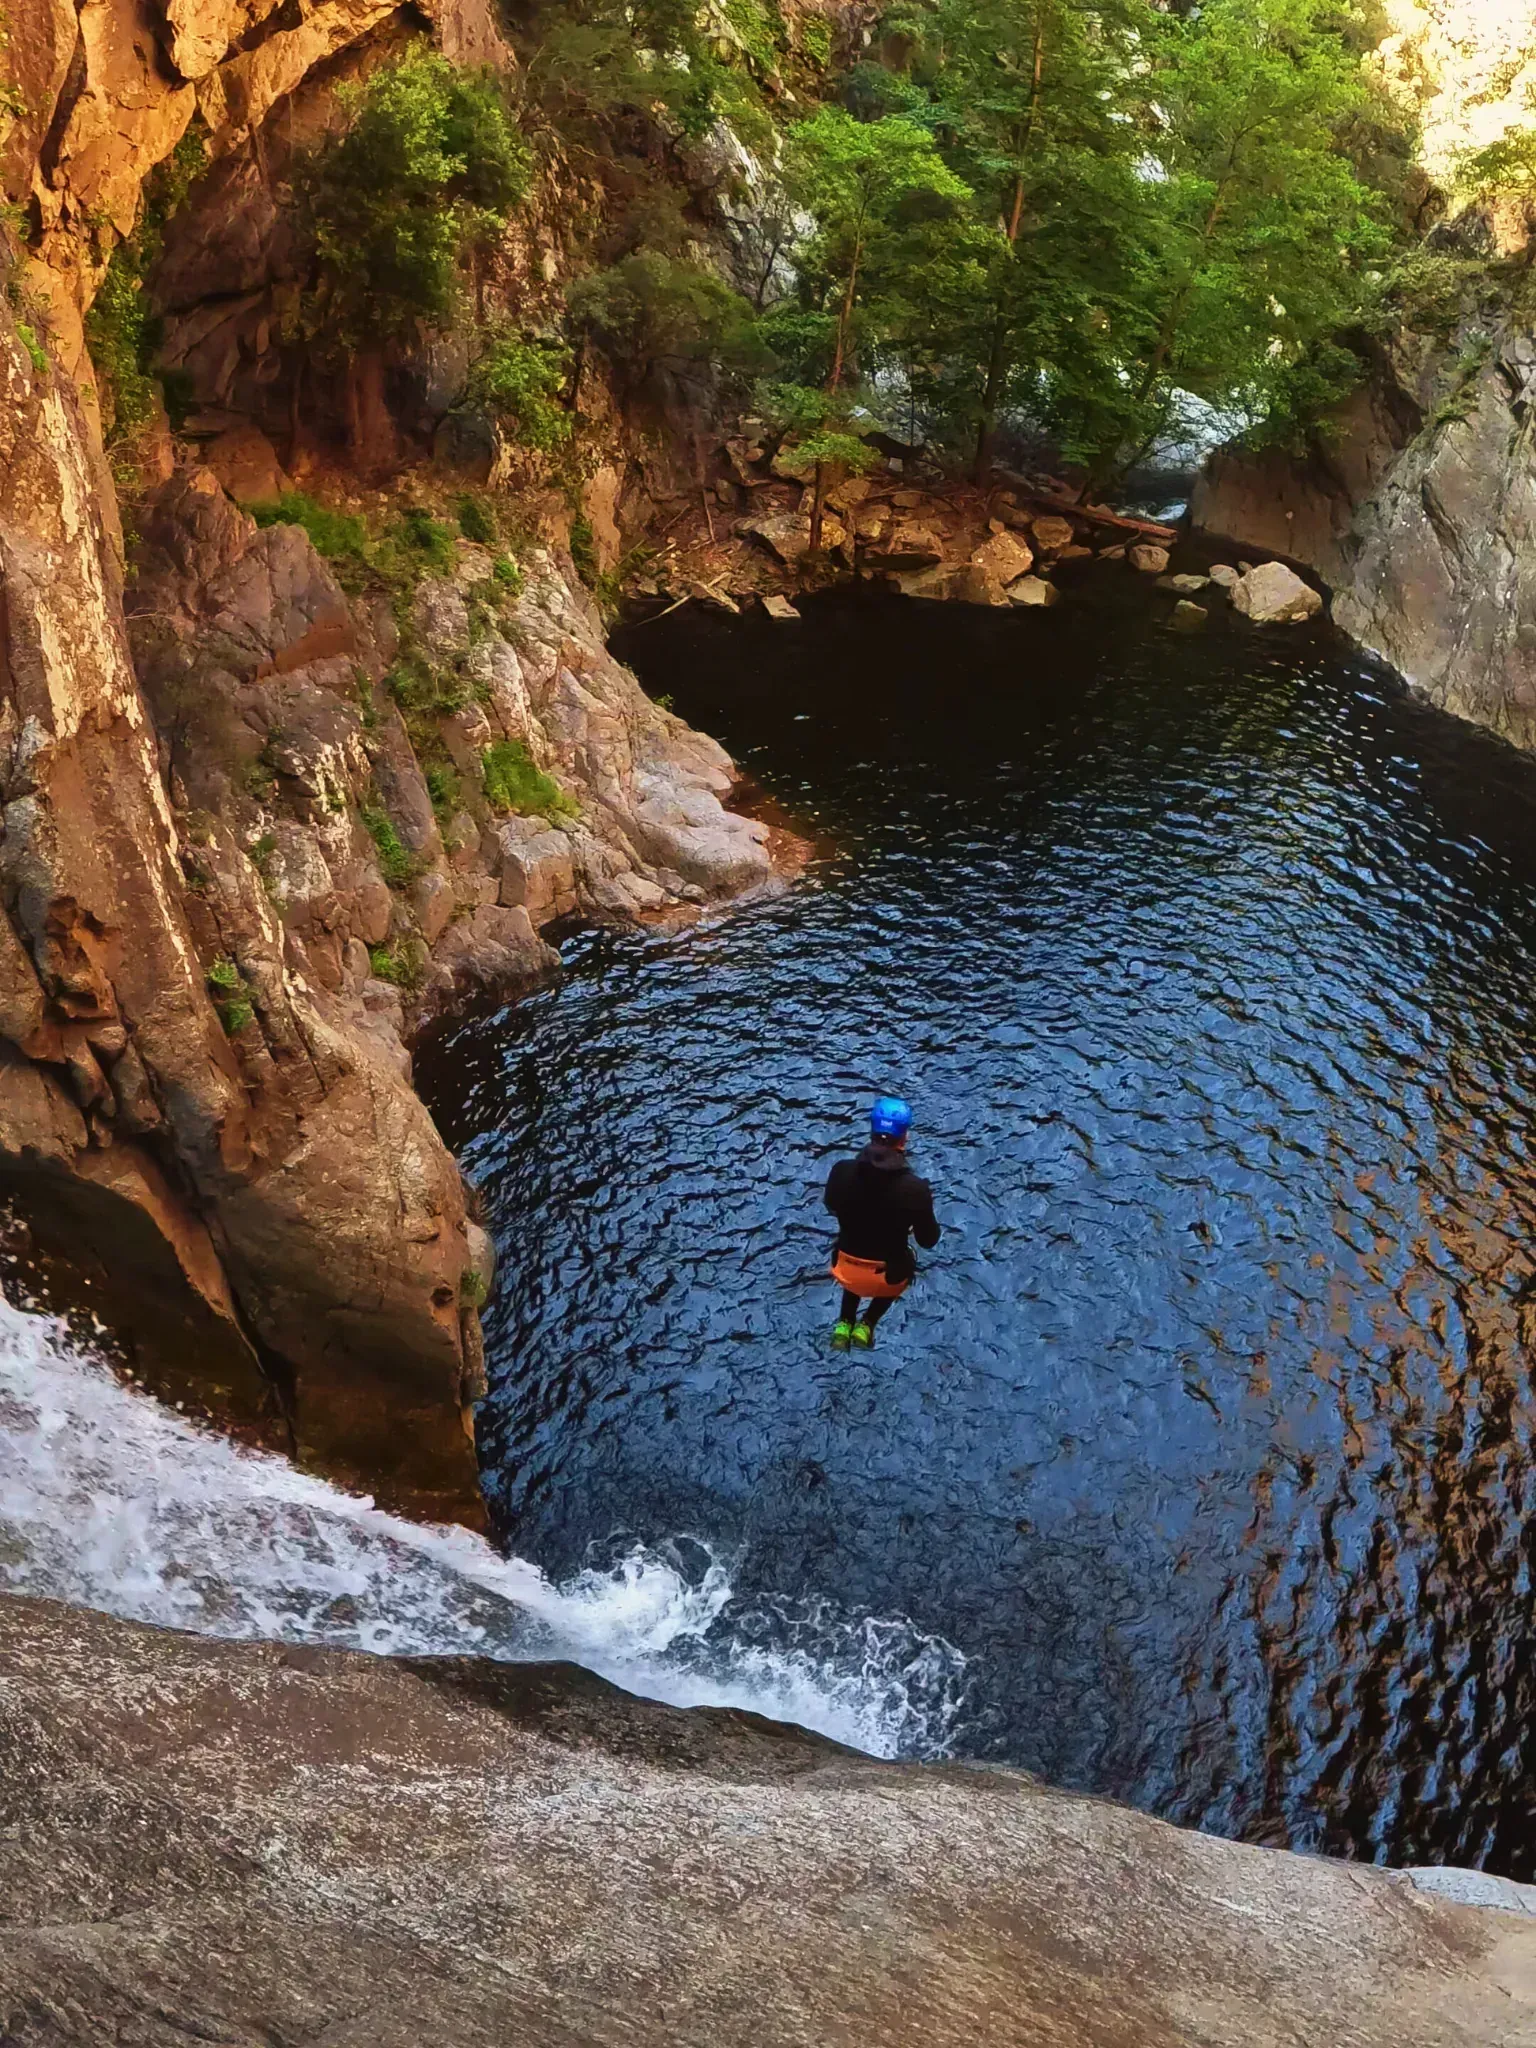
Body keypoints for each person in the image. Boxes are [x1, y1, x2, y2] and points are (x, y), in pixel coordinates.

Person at [823, 1096, 941, 1349]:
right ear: (905, 1137)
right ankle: (867, 1324)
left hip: (844, 1267)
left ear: (872, 1130)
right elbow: (928, 1241)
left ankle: (844, 1323)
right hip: (888, 1276)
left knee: (858, 1249)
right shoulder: (915, 1189)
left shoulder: (841, 1170)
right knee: (902, 1260)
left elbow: (831, 1206)